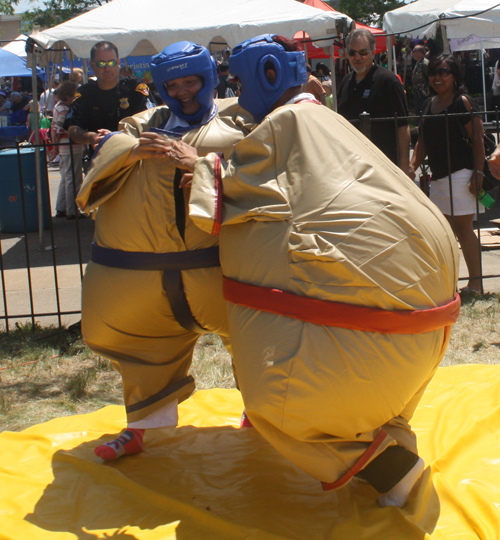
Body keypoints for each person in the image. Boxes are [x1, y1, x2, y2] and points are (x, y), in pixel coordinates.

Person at [166, 34, 459, 509]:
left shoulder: (287, 124)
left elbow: (233, 191)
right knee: (380, 399)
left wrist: (194, 163)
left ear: (268, 74)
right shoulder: (324, 120)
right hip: (427, 318)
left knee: (274, 406)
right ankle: (392, 442)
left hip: (382, 322)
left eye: (239, 83)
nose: (237, 97)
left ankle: (393, 470)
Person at [75, 41, 252, 461]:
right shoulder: (143, 125)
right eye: (173, 85)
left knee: (258, 342)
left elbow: (270, 174)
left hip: (225, 272)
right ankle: (138, 430)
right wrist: (131, 149)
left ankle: (265, 414)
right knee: (142, 352)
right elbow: (107, 153)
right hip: (148, 279)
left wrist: (208, 168)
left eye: (191, 81)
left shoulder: (243, 123)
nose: (183, 92)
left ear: (209, 79)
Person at [410, 54, 485, 295]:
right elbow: (422, 142)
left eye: (444, 72)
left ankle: (476, 284)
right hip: (439, 177)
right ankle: (446, 284)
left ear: (454, 76)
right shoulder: (427, 104)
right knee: (442, 232)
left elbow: (478, 140)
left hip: (462, 174)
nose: (437, 77)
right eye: (433, 72)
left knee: (463, 229)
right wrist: (411, 167)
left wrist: (479, 173)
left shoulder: (461, 102)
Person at [338, 29, 412, 177]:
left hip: (385, 165)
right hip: (354, 166)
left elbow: (403, 126)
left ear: (373, 52)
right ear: (347, 54)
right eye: (353, 53)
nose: (357, 57)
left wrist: (405, 165)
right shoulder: (346, 82)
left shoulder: (388, 82)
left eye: (363, 52)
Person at [65, 41, 152, 152]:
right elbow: (73, 130)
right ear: (92, 65)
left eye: (111, 63)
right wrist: (92, 137)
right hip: (101, 156)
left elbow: (150, 120)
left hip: (134, 153)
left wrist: (118, 137)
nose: (107, 68)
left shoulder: (135, 87)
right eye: (101, 64)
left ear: (119, 62)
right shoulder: (84, 93)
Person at [52, 81, 85, 219]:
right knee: (73, 178)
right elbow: (58, 130)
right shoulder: (65, 109)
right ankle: (72, 210)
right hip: (70, 145)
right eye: (74, 95)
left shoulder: (59, 107)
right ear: (67, 96)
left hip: (65, 146)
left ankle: (61, 207)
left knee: (66, 177)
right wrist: (55, 147)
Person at [412, 45, 429, 118]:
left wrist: (428, 91)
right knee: (418, 112)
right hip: (418, 92)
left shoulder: (425, 64)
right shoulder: (418, 63)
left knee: (423, 111)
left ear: (420, 53)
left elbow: (430, 77)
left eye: (414, 51)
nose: (412, 53)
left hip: (424, 93)